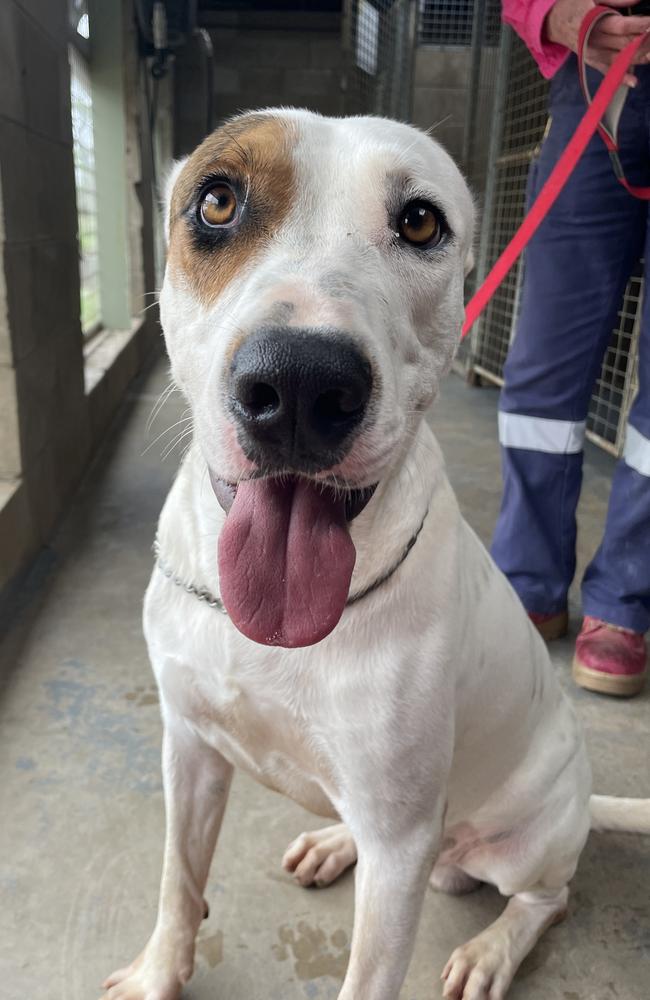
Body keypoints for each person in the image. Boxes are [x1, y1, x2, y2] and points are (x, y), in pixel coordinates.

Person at [494, 0, 650, 696]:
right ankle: (527, 583)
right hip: (589, 88)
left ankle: (625, 601)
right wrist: (554, 14)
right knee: (542, 367)